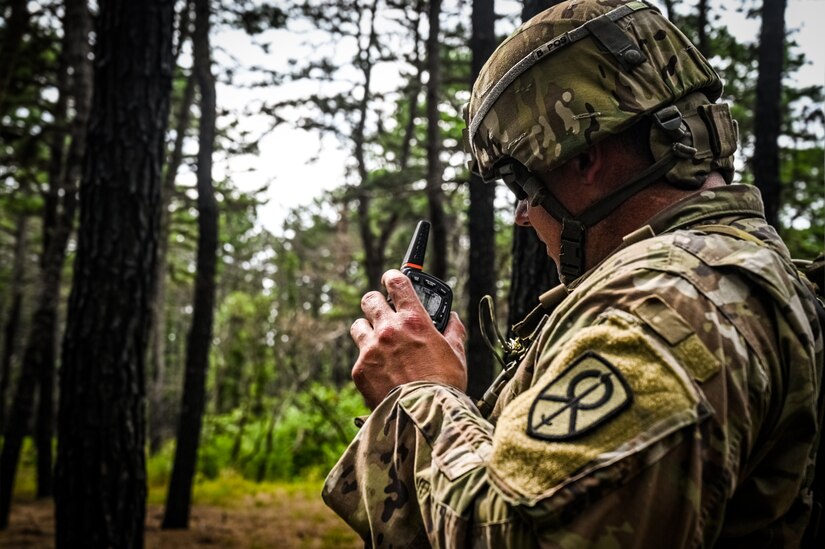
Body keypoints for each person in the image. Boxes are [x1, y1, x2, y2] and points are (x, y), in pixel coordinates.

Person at [322, 0, 824, 546]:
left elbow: (520, 534)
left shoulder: (667, 307)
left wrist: (419, 393)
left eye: (522, 188)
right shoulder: (738, 268)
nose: (522, 216)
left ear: (584, 159)